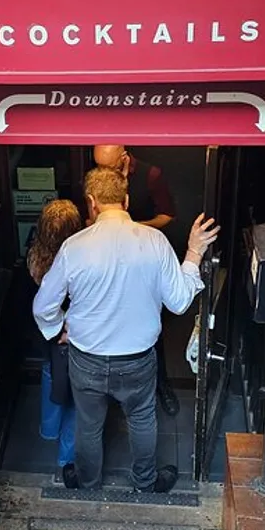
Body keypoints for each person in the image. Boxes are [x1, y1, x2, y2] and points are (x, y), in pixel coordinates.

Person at [33, 167, 219, 493]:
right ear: (127, 200)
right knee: (142, 419)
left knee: (89, 425)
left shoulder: (74, 247)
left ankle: (88, 483)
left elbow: (42, 305)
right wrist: (193, 253)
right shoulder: (155, 241)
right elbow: (178, 303)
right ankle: (145, 483)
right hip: (137, 360)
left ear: (91, 202)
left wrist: (56, 328)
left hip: (86, 359)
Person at [93, 145, 181, 416]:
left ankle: (161, 384)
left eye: (109, 168)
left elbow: (168, 215)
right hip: (107, 256)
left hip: (142, 253)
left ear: (123, 157)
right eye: (100, 168)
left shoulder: (150, 175)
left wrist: (133, 227)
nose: (103, 174)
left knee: (151, 325)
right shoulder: (96, 177)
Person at [26, 199, 82, 484]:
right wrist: (63, 328)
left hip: (44, 334)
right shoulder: (74, 261)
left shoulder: (35, 255)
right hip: (67, 335)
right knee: (75, 395)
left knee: (50, 374)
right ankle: (66, 457)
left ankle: (48, 429)